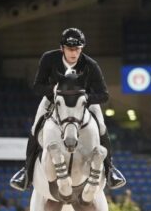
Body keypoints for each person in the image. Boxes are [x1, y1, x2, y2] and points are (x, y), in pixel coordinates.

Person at [10, 27, 126, 191]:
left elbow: (104, 95)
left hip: (84, 102)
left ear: (82, 48)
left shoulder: (91, 65)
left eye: (77, 49)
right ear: (61, 48)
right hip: (54, 100)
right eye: (70, 49)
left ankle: (110, 171)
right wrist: (56, 93)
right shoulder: (49, 59)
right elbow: (37, 86)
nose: (73, 53)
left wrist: (86, 98)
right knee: (35, 128)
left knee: (101, 127)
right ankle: (26, 173)